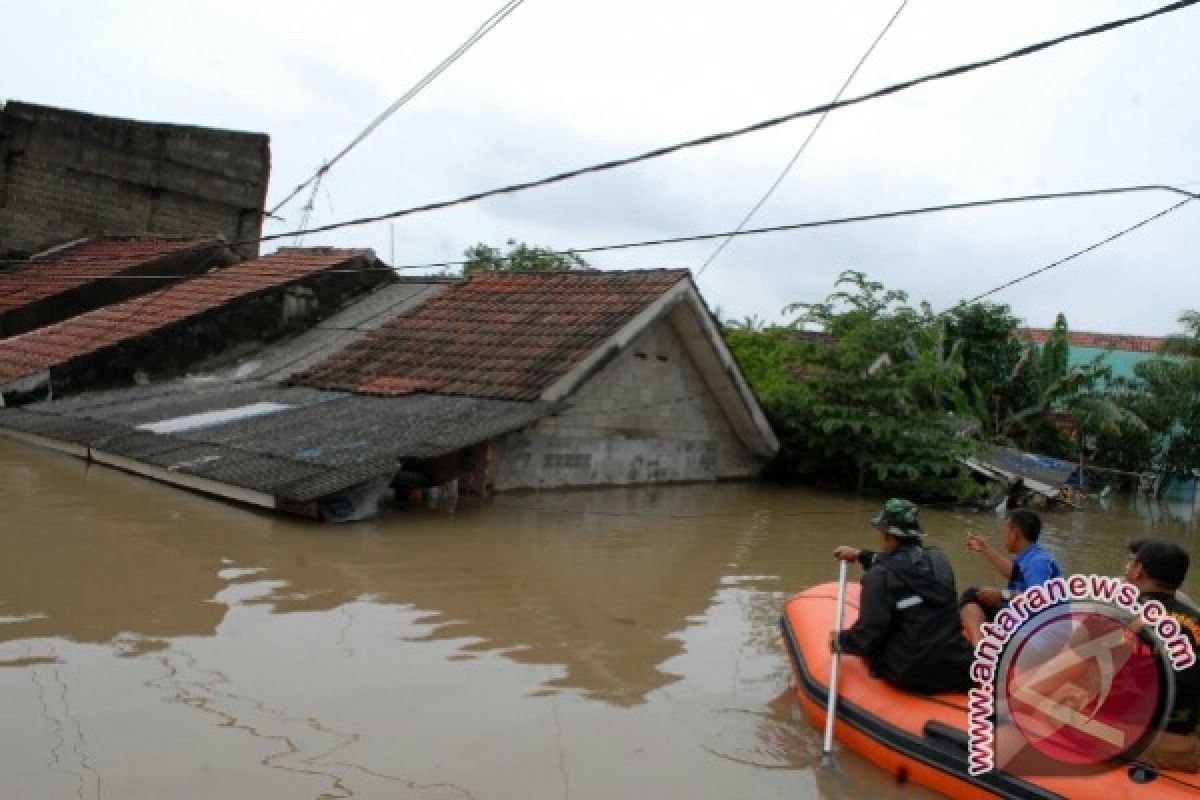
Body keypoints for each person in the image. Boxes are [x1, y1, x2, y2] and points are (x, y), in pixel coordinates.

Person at [831, 498, 974, 695]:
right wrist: (860, 555)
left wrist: (840, 641)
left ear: (887, 537)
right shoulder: (940, 560)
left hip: (910, 672)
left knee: (875, 646)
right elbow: (905, 564)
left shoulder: (879, 576)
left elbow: (868, 634)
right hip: (954, 666)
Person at [1125, 538, 1200, 772]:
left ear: (1138, 570)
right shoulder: (1195, 618)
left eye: (1131, 562)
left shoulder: (1123, 615)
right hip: (1188, 749)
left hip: (1145, 745)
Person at [960, 509, 1063, 646]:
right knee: (978, 595)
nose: (1004, 536)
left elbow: (1039, 599)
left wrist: (1002, 595)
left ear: (1014, 533)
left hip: (1038, 627)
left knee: (971, 596)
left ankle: (979, 650)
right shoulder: (1032, 556)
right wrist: (985, 548)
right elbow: (1013, 573)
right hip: (1026, 617)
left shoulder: (1038, 562)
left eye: (1006, 531)